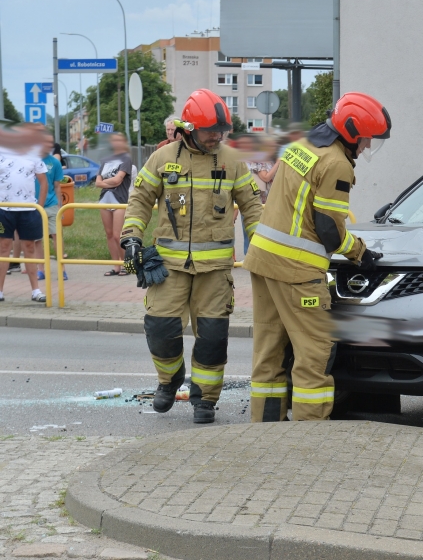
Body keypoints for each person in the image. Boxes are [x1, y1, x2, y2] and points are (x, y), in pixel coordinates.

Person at [243, 92, 390, 422]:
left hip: (263, 260)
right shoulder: (336, 163)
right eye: (366, 139)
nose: (367, 147)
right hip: (297, 271)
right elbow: (328, 229)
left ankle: (262, 433)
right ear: (352, 132)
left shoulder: (301, 146)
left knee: (269, 352)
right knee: (315, 353)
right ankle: (309, 440)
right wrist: (360, 253)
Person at [120, 89, 263, 424]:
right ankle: (169, 381)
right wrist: (131, 239)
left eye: (221, 132)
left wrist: (260, 249)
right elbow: (140, 199)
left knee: (212, 337)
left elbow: (253, 208)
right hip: (168, 267)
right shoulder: (163, 158)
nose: (217, 137)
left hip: (215, 270)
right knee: (160, 328)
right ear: (187, 129)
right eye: (210, 131)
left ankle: (205, 400)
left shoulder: (231, 161)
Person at [0, 123, 51, 303]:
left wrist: (40, 207)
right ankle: (0, 291)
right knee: (3, 248)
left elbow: (44, 183)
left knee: (29, 248)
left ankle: (35, 290)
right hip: (4, 209)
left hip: (29, 209)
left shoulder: (33, 153)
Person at [95, 133, 133, 276]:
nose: (116, 143)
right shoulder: (106, 160)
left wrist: (104, 182)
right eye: (114, 140)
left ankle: (124, 264)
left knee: (118, 235)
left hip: (119, 199)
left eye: (119, 140)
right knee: (109, 234)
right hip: (105, 198)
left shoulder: (126, 159)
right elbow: (97, 182)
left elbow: (118, 180)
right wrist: (105, 183)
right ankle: (115, 265)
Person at [36, 142, 67, 281]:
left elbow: (57, 186)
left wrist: (60, 207)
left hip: (52, 204)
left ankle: (62, 269)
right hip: (35, 205)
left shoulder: (55, 162)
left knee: (56, 236)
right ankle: (41, 269)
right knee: (38, 239)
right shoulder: (32, 160)